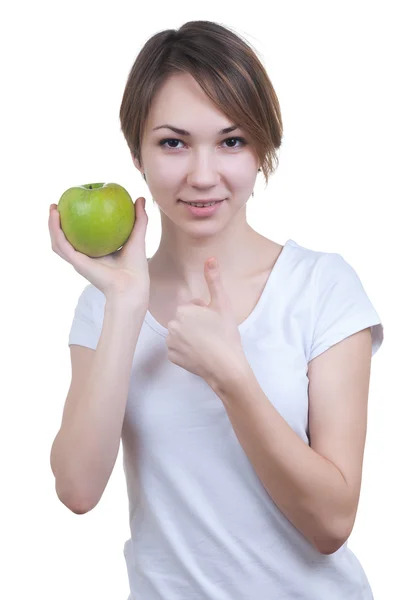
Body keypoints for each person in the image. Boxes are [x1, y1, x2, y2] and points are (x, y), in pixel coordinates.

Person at [49, 20, 384, 600]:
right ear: (138, 153)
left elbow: (332, 523)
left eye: (231, 141)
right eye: (173, 143)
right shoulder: (106, 304)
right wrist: (128, 306)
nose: (203, 176)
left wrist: (232, 376)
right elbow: (77, 489)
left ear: (262, 149)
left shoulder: (322, 288)